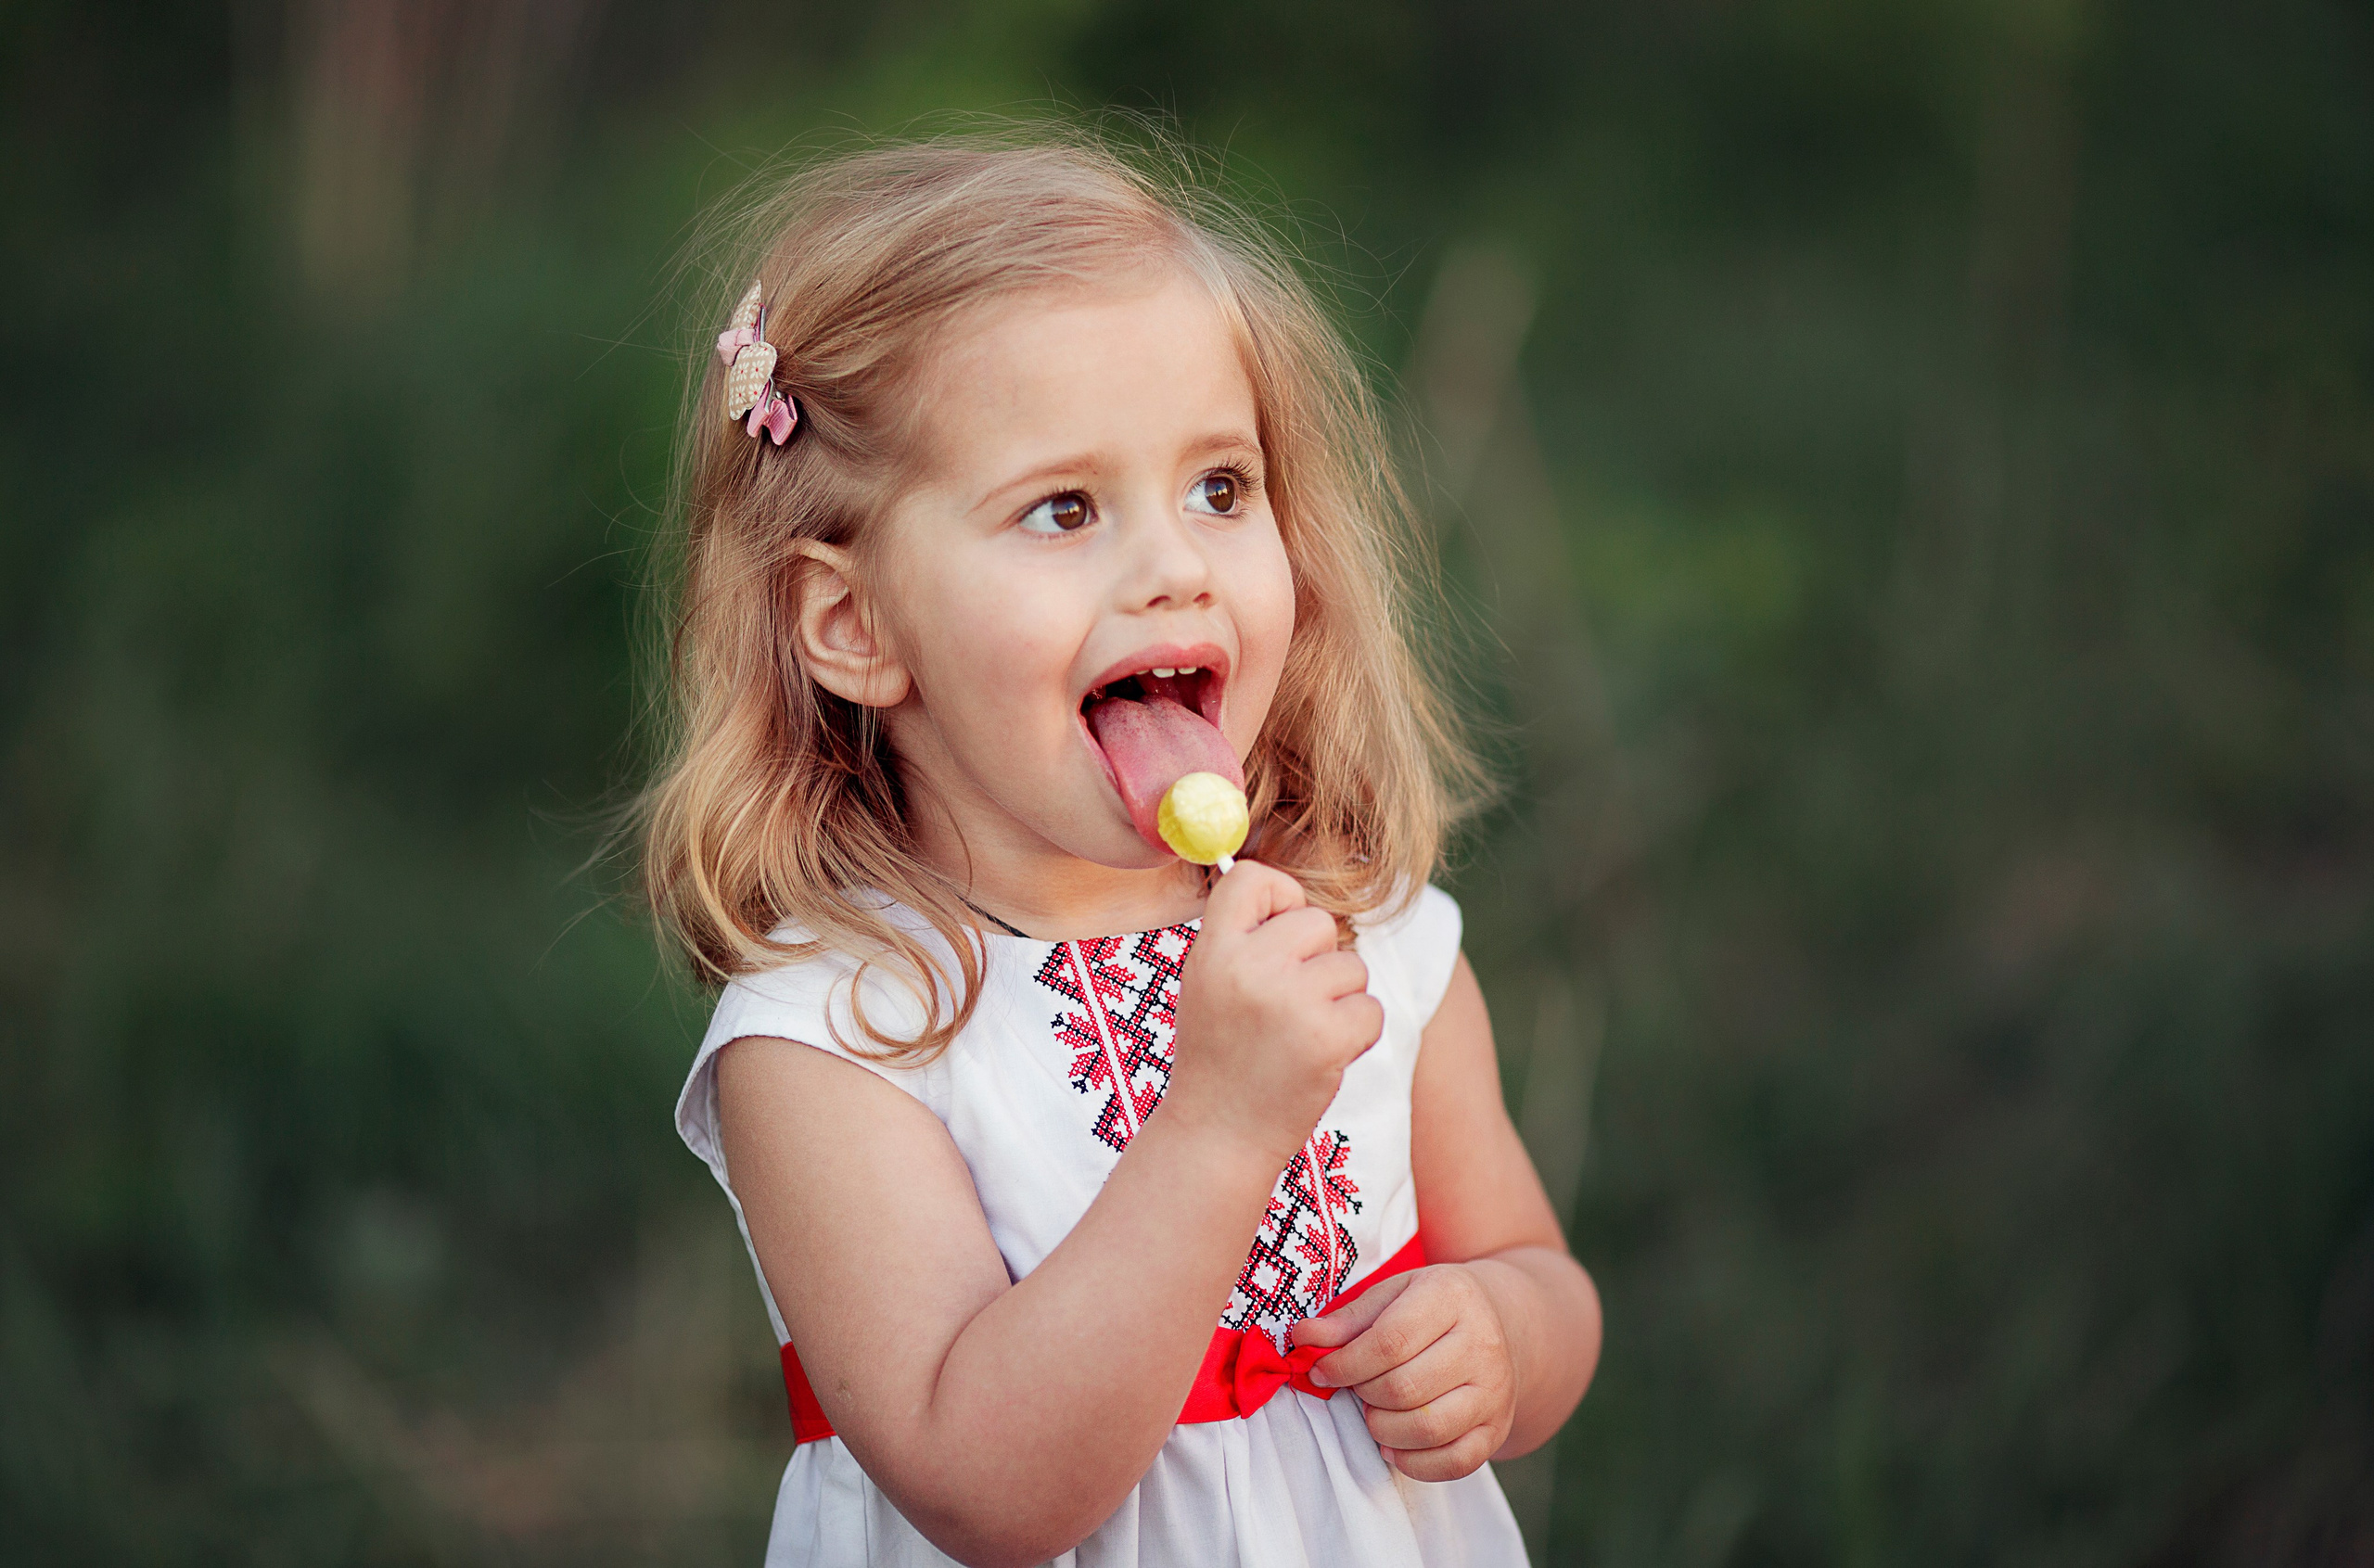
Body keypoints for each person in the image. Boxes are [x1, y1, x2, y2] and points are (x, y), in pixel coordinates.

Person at [643, 131, 1602, 1568]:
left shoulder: (1363, 935)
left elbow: (1543, 1282)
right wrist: (1217, 1121)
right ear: (854, 626)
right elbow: (989, 1490)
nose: (1173, 565)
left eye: (1222, 487)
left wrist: (1500, 1341)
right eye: (1065, 509)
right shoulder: (837, 1040)